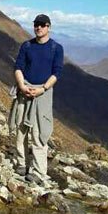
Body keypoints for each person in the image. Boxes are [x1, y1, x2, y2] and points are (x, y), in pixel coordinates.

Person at [8, 14, 64, 185]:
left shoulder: (56, 48)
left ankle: (39, 171)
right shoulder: (27, 46)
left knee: (39, 132)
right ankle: (22, 164)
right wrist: (22, 86)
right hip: (24, 89)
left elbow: (57, 72)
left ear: (49, 27)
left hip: (43, 93)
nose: (39, 27)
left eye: (42, 25)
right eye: (36, 25)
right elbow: (18, 67)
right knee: (20, 128)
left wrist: (42, 89)